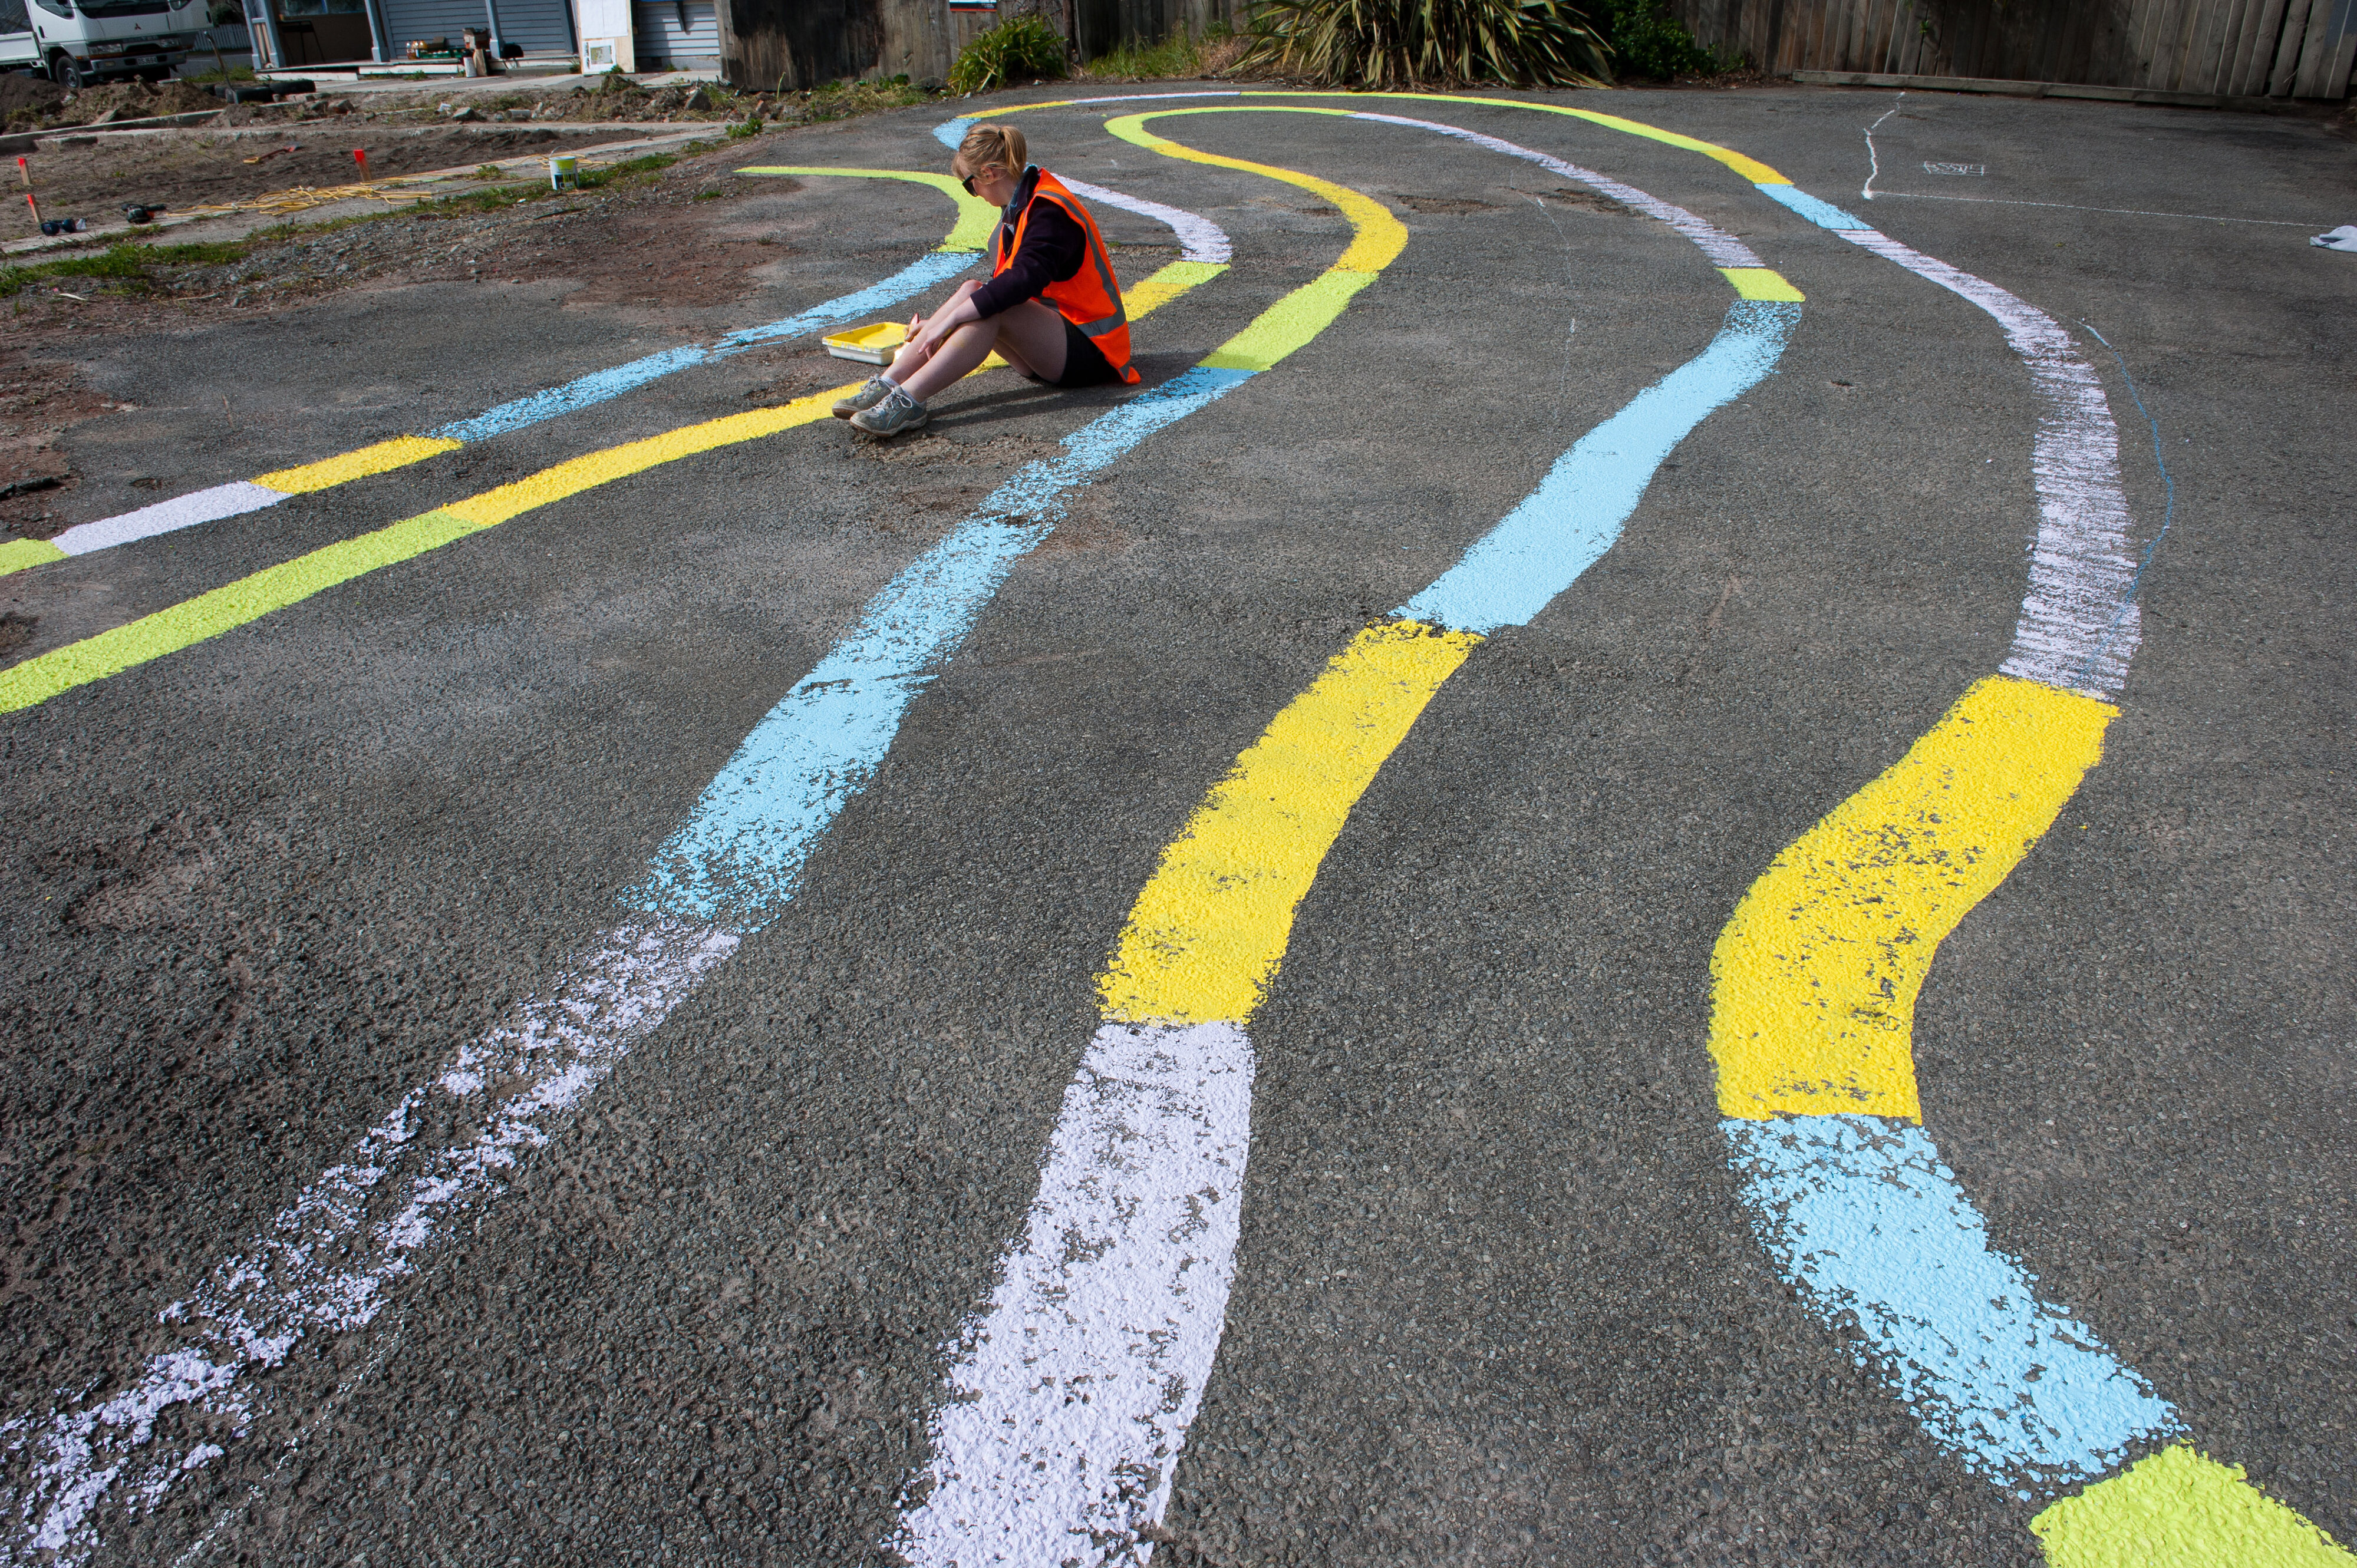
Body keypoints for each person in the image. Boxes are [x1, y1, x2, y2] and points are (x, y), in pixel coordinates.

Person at [836, 123, 1140, 438]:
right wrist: (937, 325)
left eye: (970, 186)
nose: (975, 194)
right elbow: (999, 288)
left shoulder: (1049, 211)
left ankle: (909, 400)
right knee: (973, 290)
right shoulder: (1019, 206)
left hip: (1093, 351)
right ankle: (888, 383)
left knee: (992, 307)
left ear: (989, 174)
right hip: (1052, 343)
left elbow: (1019, 284)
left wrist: (949, 321)